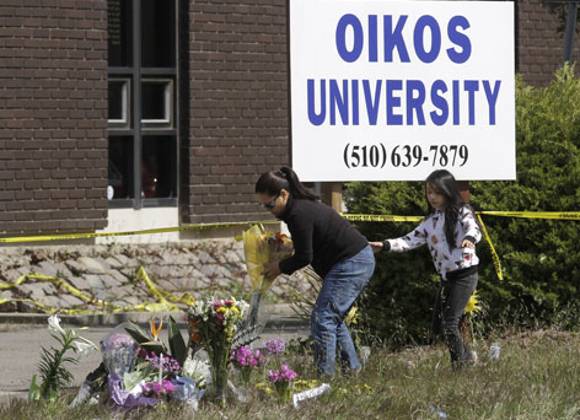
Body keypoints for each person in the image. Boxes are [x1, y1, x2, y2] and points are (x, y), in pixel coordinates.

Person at [256, 166, 375, 377]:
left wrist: (278, 268)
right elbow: (309, 243)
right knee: (333, 318)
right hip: (354, 259)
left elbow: (305, 257)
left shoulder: (298, 213)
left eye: (270, 204)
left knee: (323, 317)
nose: (268, 210)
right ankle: (352, 370)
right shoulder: (298, 209)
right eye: (263, 205)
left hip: (352, 262)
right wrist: (284, 248)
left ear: (283, 194)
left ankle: (325, 376)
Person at [369, 169, 481, 367]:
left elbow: (473, 228)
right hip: (447, 277)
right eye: (429, 192)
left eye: (437, 192)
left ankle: (460, 367)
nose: (432, 197)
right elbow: (409, 240)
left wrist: (470, 238)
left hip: (465, 274)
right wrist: (385, 245)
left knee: (450, 323)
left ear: (448, 191)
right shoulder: (430, 221)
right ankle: (468, 356)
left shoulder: (462, 211)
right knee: (441, 324)